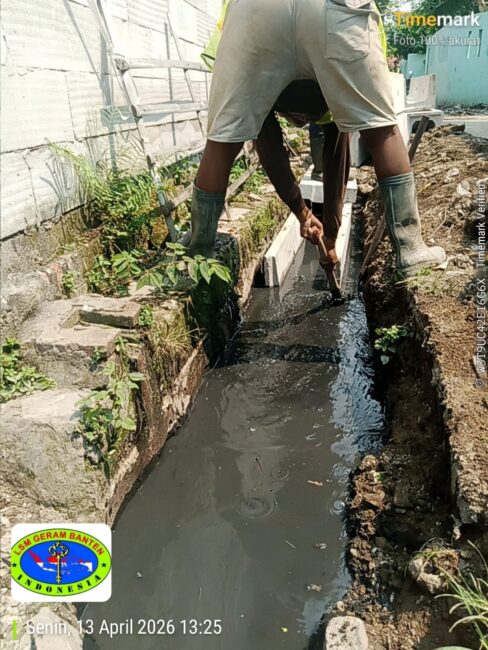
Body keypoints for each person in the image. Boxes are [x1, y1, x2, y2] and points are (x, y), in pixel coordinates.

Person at [190, 0, 446, 278]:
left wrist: (326, 232)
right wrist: (308, 217)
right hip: (334, 11)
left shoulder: (266, 90)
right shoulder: (337, 98)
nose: (300, 122)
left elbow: (274, 154)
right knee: (380, 129)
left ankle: (198, 252)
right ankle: (411, 251)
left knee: (222, 141)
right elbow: (332, 166)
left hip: (254, 13)